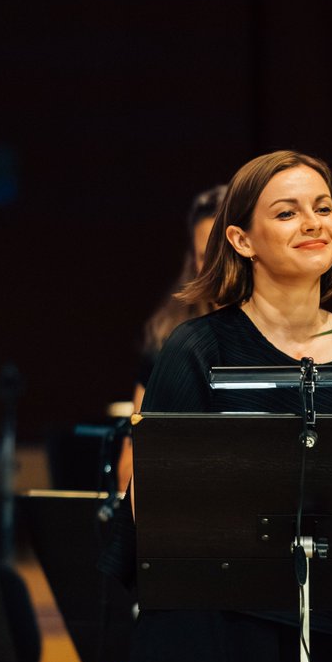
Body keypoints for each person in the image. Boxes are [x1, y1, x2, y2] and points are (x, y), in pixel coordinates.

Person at [105, 151, 332, 662]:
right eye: (287, 212)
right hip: (216, 635)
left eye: (323, 207)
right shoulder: (197, 348)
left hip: (330, 634)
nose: (314, 223)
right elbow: (152, 508)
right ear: (241, 239)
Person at [115, 184, 226, 491]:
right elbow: (129, 469)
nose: (220, 267)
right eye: (208, 256)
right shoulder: (168, 342)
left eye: (227, 252)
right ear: (193, 262)